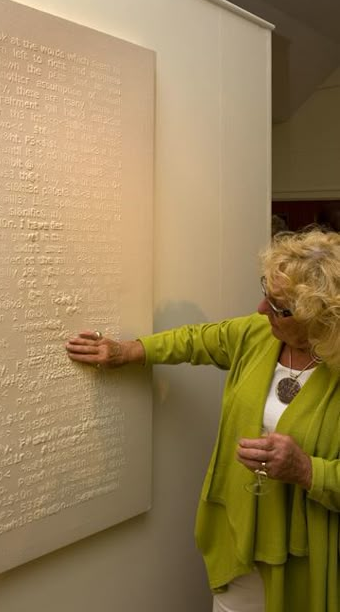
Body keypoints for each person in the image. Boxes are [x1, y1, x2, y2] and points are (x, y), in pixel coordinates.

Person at [65, 229, 340, 612]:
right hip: (239, 540)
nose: (262, 309)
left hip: (308, 554)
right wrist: (127, 350)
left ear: (318, 316)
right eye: (266, 292)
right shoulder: (257, 334)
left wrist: (306, 469)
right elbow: (195, 341)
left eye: (279, 306)